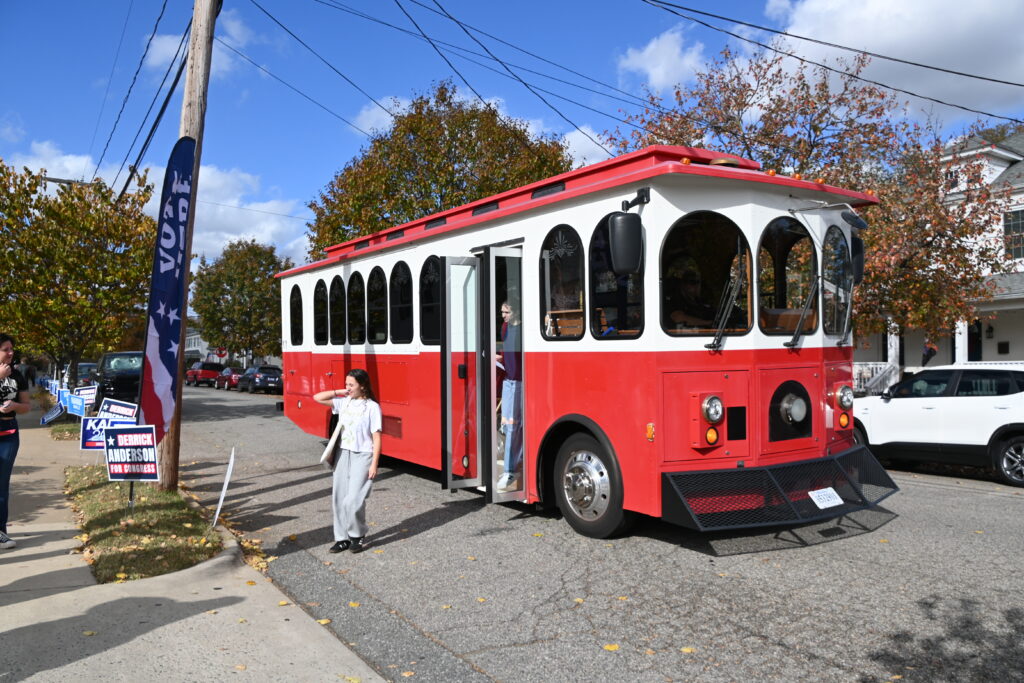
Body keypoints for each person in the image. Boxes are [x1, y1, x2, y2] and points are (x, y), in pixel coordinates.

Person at [313, 369, 382, 554]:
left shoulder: (372, 407)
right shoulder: (344, 402)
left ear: (363, 385)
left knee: (353, 499)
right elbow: (317, 397)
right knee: (339, 498)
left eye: (351, 384)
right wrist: (338, 392)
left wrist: (375, 463)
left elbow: (376, 437)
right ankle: (342, 539)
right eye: (347, 384)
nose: (348, 387)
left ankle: (357, 535)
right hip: (343, 454)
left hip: (364, 455)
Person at [0, 335, 32, 550]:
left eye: (12, 349)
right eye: (5, 349)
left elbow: (27, 405)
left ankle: (1, 532)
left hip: (8, 432)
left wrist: (14, 407)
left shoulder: (17, 375)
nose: (11, 353)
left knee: (2, 485)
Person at [495, 300, 523, 492]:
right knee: (509, 424)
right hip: (509, 380)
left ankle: (510, 469)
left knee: (514, 425)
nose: (503, 316)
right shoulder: (505, 328)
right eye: (502, 312)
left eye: (506, 312)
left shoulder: (522, 329)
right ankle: (511, 465)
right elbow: (508, 353)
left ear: (516, 312)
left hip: (519, 381)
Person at [664, 257, 715, 328]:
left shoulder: (702, 302)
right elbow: (678, 317)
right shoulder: (674, 301)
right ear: (683, 284)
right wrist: (706, 323)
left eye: (699, 282)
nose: (697, 285)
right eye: (692, 282)